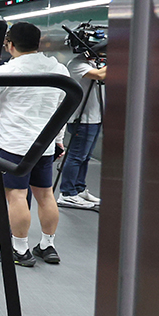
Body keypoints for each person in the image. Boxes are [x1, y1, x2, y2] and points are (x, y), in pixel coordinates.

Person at [0, 22, 69, 266]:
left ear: (9, 45)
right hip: (45, 144)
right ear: (38, 43)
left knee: (17, 196)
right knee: (45, 195)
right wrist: (59, 139)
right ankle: (47, 245)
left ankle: (20, 251)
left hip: (15, 145)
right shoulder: (59, 70)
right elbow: (64, 110)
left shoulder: (8, 71)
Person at [56, 53, 106, 209]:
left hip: (95, 117)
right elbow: (99, 75)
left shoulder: (92, 63)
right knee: (76, 156)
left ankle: (79, 188)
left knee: (85, 157)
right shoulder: (76, 64)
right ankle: (67, 193)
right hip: (82, 119)